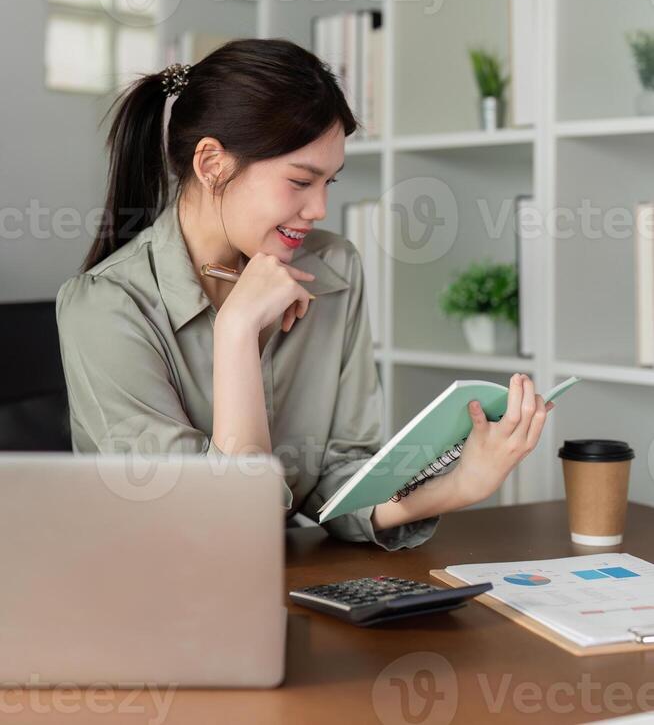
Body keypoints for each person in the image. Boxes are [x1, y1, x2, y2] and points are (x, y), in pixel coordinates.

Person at [56, 38, 552, 552]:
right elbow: (222, 528)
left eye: (329, 182)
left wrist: (458, 486)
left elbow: (340, 476)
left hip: (279, 582)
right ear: (211, 165)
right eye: (300, 181)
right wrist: (236, 334)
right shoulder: (104, 307)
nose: (319, 208)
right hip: (150, 591)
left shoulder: (332, 267)